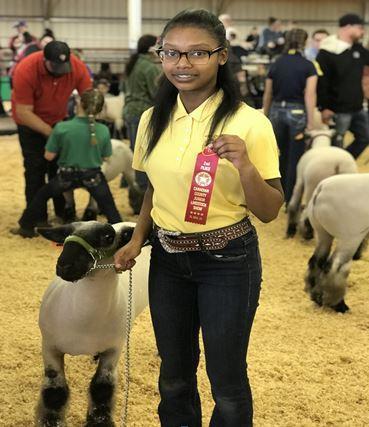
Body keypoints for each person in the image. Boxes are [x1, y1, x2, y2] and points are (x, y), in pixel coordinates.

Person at [114, 9, 283, 426]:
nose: (182, 64)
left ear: (222, 56)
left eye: (197, 53)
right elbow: (156, 186)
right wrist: (138, 239)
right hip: (168, 261)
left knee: (225, 381)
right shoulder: (153, 119)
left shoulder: (251, 123)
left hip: (228, 261)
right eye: (171, 53)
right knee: (173, 375)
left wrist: (244, 165)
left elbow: (269, 209)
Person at [10, 41, 92, 235]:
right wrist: (55, 134)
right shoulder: (26, 69)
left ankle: (63, 214)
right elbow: (23, 112)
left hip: (58, 122)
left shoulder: (77, 67)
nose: (60, 72)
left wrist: (82, 126)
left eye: (64, 67)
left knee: (61, 169)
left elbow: (89, 99)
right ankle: (37, 220)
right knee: (34, 170)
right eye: (55, 67)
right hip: (29, 125)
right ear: (44, 60)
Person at [15, 89, 122, 237]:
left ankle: (25, 227)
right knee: (109, 206)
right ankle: (120, 233)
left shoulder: (62, 127)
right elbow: (106, 157)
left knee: (41, 196)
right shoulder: (103, 130)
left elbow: (49, 156)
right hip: (93, 177)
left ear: (79, 104)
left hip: (66, 177)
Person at [262, 28, 318, 204]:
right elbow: (310, 95)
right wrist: (310, 122)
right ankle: (290, 200)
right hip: (297, 113)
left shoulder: (276, 63)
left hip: (276, 112)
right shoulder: (308, 65)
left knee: (277, 155)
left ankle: (276, 196)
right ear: (305, 42)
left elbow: (268, 93)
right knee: (295, 157)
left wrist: (265, 115)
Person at [316, 13, 369, 159]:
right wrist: (324, 107)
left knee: (365, 137)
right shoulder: (327, 52)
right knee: (336, 145)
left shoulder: (359, 50)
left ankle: (346, 162)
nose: (362, 31)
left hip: (357, 107)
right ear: (348, 27)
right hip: (337, 109)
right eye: (360, 27)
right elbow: (322, 82)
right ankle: (333, 173)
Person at [122, 34, 161, 190]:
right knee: (143, 152)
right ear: (151, 48)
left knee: (133, 149)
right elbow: (156, 93)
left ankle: (128, 182)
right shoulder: (150, 68)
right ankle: (141, 188)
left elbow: (123, 88)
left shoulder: (132, 64)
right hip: (143, 111)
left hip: (129, 110)